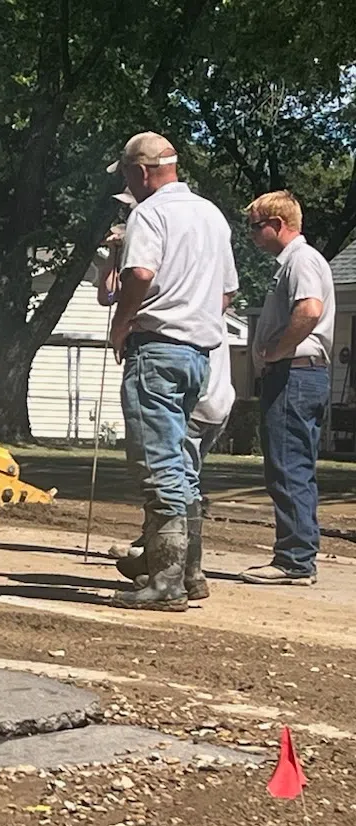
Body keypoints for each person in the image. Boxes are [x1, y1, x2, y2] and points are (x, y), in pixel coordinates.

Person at [104, 131, 234, 612]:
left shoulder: (150, 213)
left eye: (127, 177)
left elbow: (139, 274)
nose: (129, 186)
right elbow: (226, 294)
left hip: (156, 350)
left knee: (158, 466)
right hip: (198, 354)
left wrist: (122, 325)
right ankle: (191, 571)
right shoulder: (211, 215)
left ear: (141, 172)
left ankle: (165, 580)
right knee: (181, 464)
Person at [241, 190, 336, 586]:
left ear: (278, 225)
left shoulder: (301, 259)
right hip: (301, 375)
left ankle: (295, 560)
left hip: (295, 375)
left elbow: (310, 309)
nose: (252, 235)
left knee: (287, 465)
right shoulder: (293, 262)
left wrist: (278, 351)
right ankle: (296, 554)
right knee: (291, 464)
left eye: (256, 227)